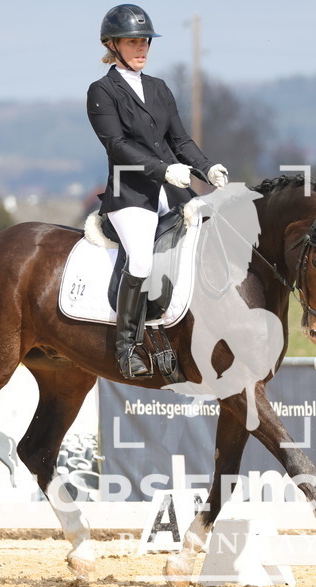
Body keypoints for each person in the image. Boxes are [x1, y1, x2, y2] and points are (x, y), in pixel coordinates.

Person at [87, 4, 229, 379]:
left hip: (173, 191)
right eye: (133, 41)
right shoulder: (102, 91)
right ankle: (127, 347)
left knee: (213, 240)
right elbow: (117, 146)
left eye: (145, 41)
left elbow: (180, 140)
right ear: (112, 45)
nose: (142, 48)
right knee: (141, 262)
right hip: (131, 195)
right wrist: (165, 170)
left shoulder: (159, 88)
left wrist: (207, 167)